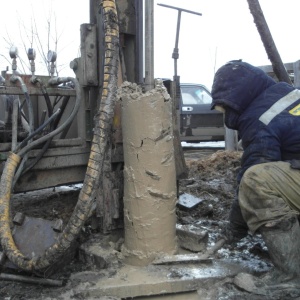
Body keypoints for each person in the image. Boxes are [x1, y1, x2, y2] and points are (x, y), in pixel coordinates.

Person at [211, 60, 300, 280]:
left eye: (225, 107)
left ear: (237, 98)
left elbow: (251, 177)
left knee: (256, 181)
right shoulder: (289, 95)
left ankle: (289, 277)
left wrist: (234, 228)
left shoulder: (261, 118)